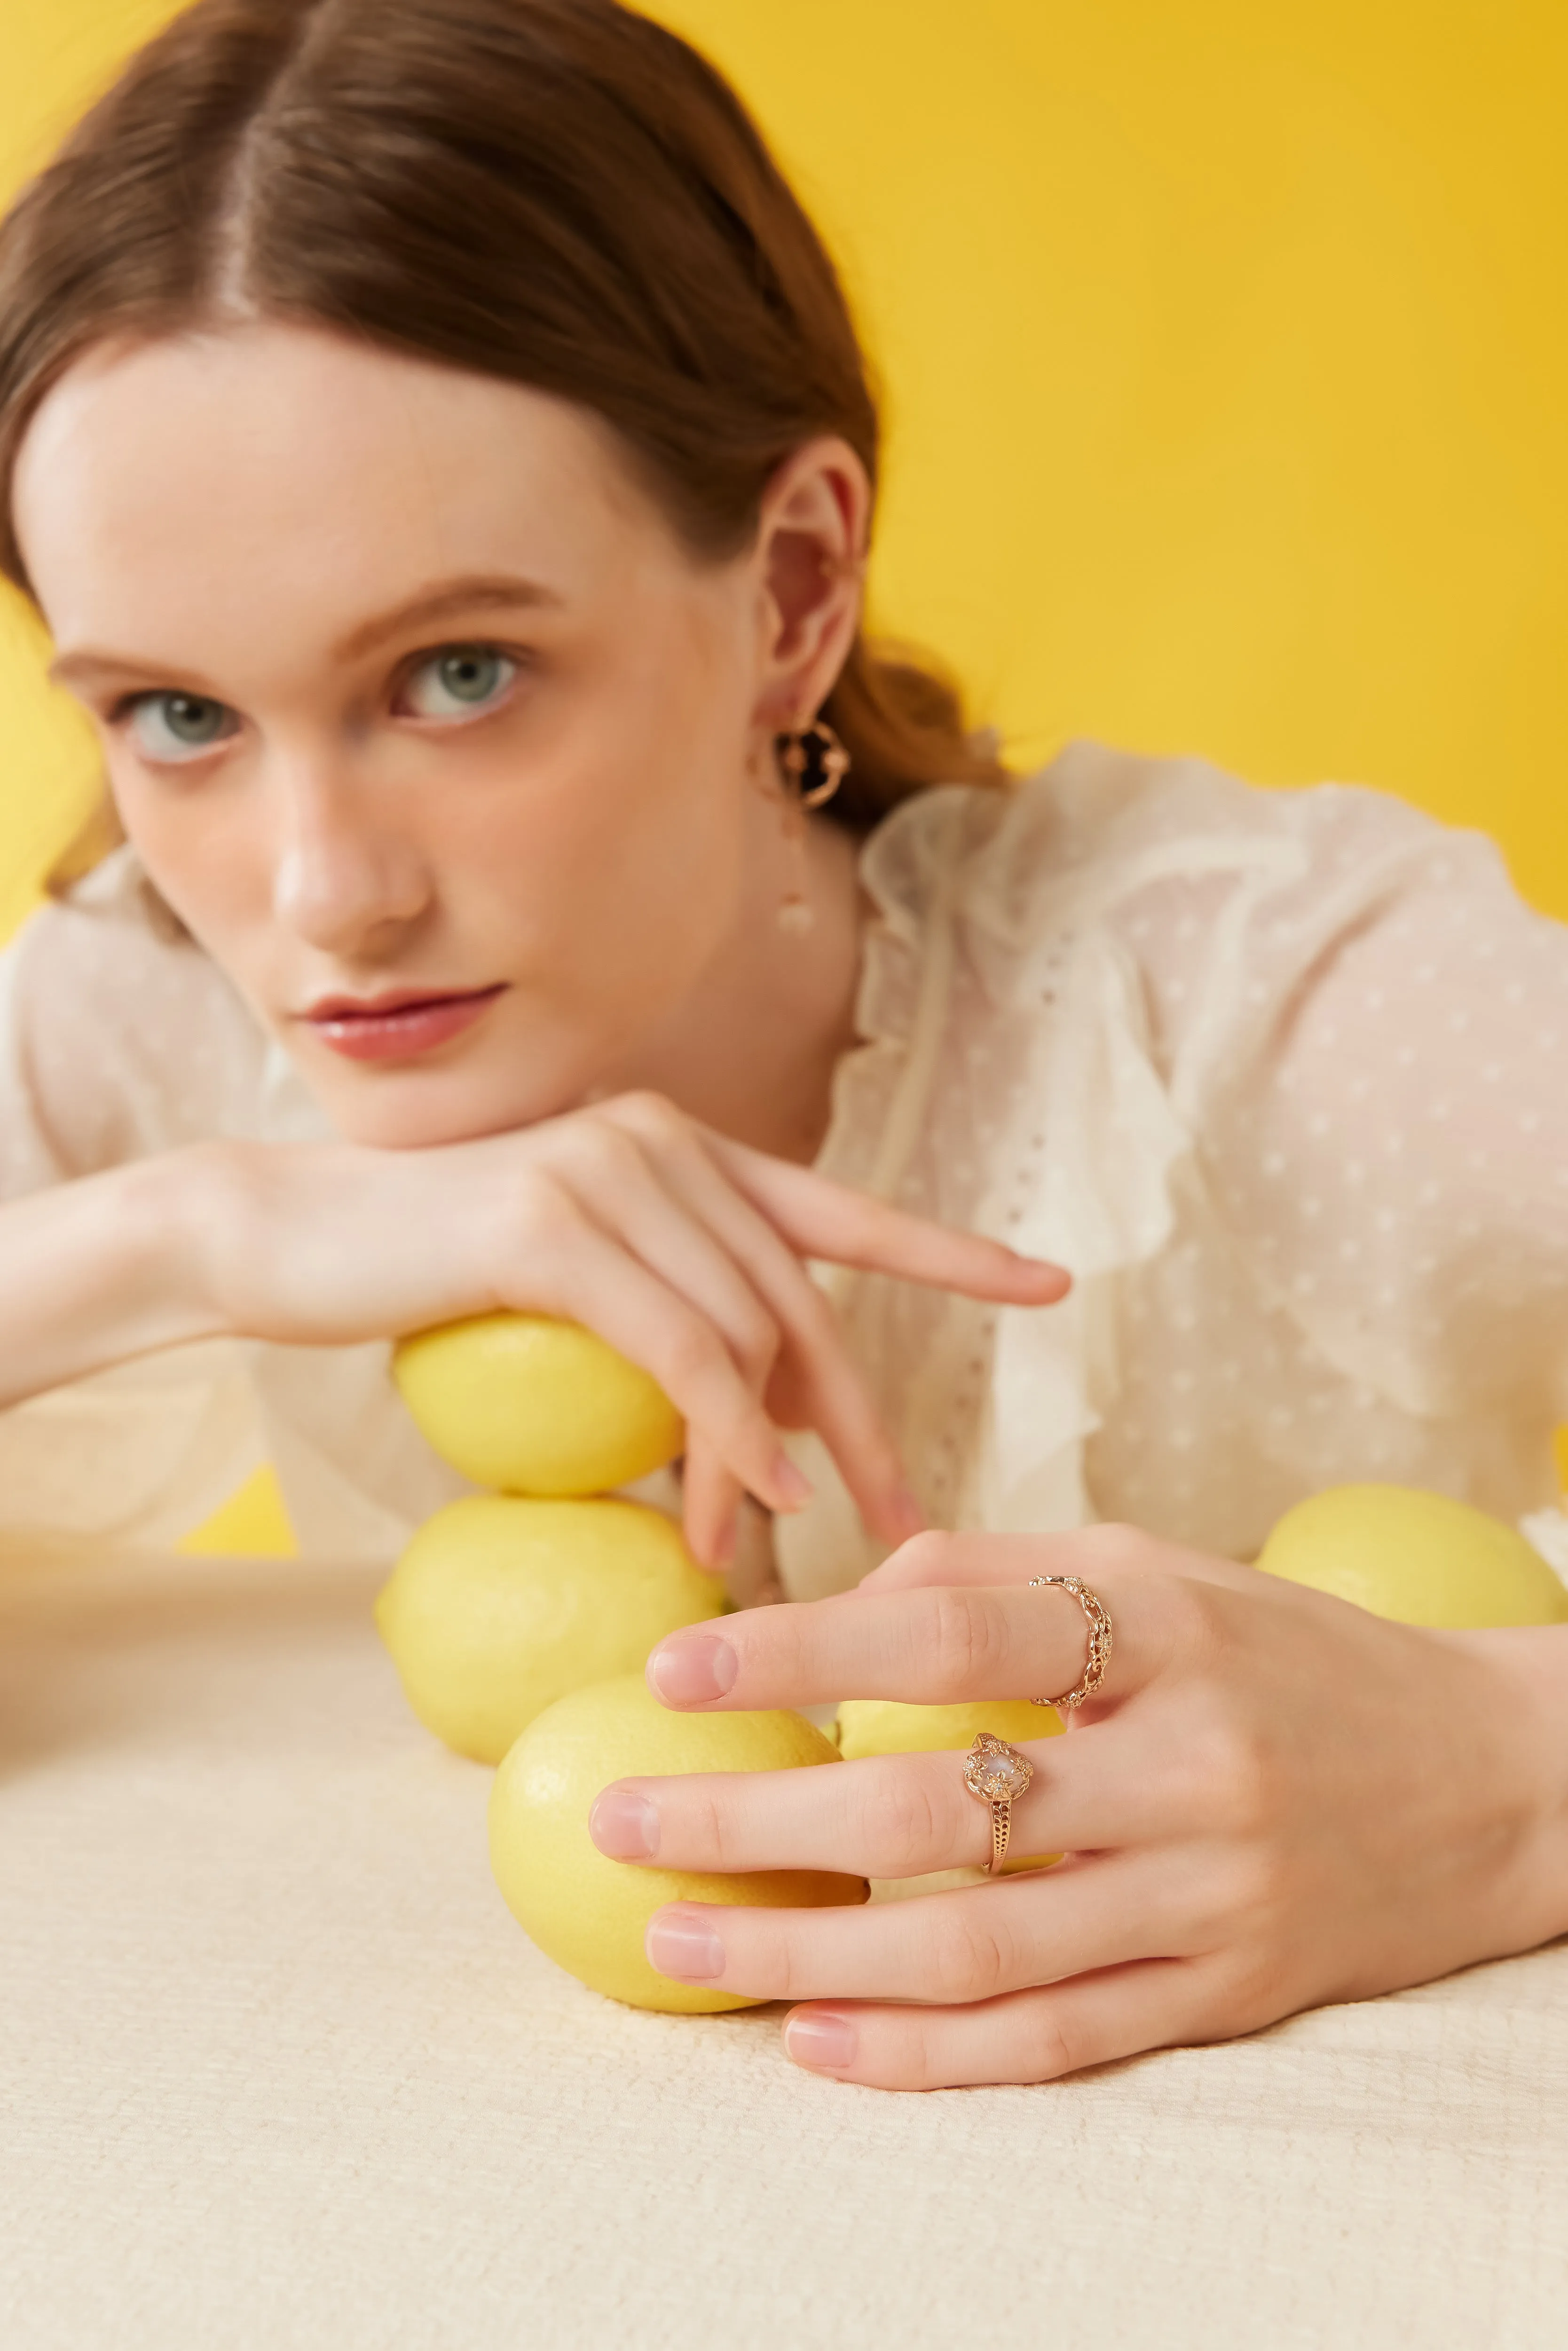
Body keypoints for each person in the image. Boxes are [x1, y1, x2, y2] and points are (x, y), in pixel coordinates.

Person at [0, 0, 1565, 2094]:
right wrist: (181, 1241)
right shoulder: (160, 1023)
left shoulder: (1268, 1011)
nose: (321, 897)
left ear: (793, 588)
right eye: (173, 716)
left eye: (457, 671)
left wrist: (1505, 1764)